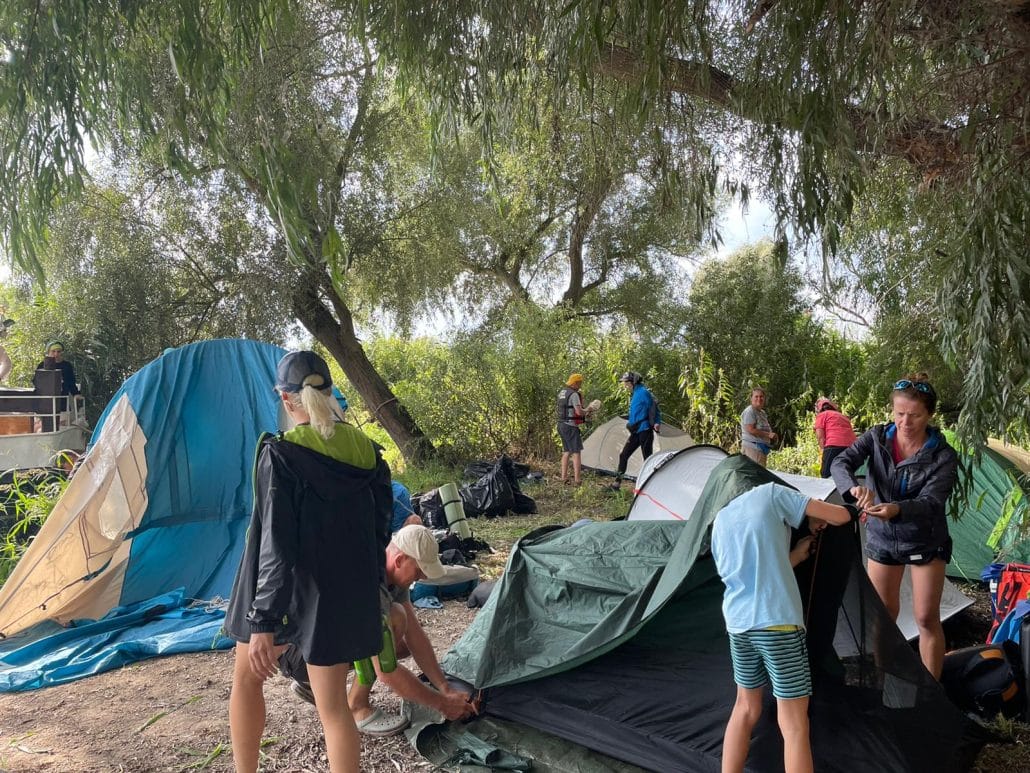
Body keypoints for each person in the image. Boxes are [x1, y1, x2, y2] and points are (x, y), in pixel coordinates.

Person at [223, 350, 393, 773]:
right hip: (337, 595)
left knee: (246, 681)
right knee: (333, 709)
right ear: (330, 392)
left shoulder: (281, 453)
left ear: (285, 398)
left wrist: (263, 621)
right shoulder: (369, 453)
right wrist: (374, 594)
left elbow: (275, 543)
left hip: (281, 591)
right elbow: (379, 533)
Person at [711, 482, 854, 773]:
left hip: (739, 625)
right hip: (778, 625)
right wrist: (853, 507)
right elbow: (840, 516)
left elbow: (755, 572)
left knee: (745, 708)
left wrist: (798, 555)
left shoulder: (722, 519)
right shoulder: (773, 493)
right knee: (794, 724)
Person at [289, 524, 478, 735]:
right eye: (419, 570)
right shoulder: (369, 586)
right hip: (299, 652)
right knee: (393, 620)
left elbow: (415, 635)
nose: (422, 577)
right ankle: (355, 706)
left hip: (317, 642)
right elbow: (386, 671)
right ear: (399, 560)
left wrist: (445, 687)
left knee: (400, 630)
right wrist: (443, 704)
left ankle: (323, 689)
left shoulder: (390, 572)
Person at [830, 373, 958, 680]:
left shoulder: (942, 455)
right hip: (883, 538)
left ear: (930, 415)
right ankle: (883, 682)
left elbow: (932, 502)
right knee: (884, 617)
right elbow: (840, 462)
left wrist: (897, 509)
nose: (905, 422)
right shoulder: (876, 437)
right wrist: (853, 488)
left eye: (915, 415)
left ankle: (931, 693)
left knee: (926, 618)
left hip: (924, 539)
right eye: (899, 413)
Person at [610, 371, 660, 491]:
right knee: (624, 455)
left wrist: (657, 422)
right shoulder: (635, 393)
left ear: (633, 382)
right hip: (636, 431)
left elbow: (655, 407)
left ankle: (651, 487)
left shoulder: (643, 392)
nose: (624, 385)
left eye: (626, 383)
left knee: (647, 459)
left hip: (645, 430)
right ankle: (616, 484)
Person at [812, 397, 857, 478]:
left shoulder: (822, 415)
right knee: (847, 474)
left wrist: (823, 451)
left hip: (834, 445)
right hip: (852, 447)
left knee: (826, 474)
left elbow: (820, 436)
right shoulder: (843, 416)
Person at [556, 373, 586, 485]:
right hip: (570, 426)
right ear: (575, 383)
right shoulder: (574, 395)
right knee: (576, 452)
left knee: (567, 451)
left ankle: (563, 477)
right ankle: (577, 480)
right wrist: (588, 410)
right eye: (580, 383)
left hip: (561, 424)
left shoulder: (562, 392)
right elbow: (579, 412)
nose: (580, 385)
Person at [740, 387, 776, 467]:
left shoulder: (762, 413)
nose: (759, 399)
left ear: (764, 398)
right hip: (752, 449)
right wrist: (768, 435)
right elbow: (750, 429)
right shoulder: (750, 411)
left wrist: (772, 436)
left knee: (759, 472)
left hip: (760, 449)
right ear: (751, 398)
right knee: (755, 473)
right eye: (756, 396)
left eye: (761, 396)